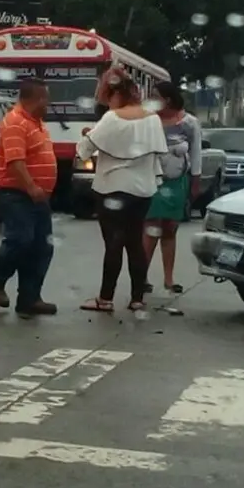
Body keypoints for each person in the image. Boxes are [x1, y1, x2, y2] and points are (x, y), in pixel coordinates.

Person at [76, 69, 168, 313]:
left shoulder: (111, 118)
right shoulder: (152, 118)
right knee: (135, 242)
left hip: (111, 188)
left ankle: (105, 298)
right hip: (143, 190)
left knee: (114, 243)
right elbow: (156, 154)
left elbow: (84, 150)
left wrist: (88, 135)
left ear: (111, 93)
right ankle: (137, 298)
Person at [0, 76, 58, 316]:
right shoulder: (15, 122)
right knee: (20, 239)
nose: (48, 103)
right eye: (46, 98)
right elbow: (16, 161)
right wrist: (31, 186)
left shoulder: (37, 122)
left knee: (41, 247)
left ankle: (29, 298)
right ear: (35, 99)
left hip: (37, 197)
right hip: (16, 193)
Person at [143, 81, 202, 296]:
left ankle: (169, 279)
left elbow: (196, 153)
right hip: (153, 180)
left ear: (167, 99)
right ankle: (141, 277)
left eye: (155, 95)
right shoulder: (148, 120)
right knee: (150, 228)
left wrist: (196, 180)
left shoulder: (189, 122)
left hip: (178, 181)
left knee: (170, 228)